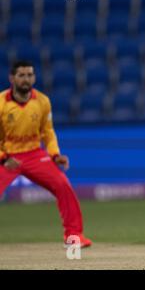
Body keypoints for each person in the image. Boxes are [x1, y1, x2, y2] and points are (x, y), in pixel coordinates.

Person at [0, 61, 92, 248]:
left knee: (63, 185)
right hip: (7, 156)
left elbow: (48, 132)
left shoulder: (42, 101)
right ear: (12, 78)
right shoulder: (1, 102)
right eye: (22, 75)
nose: (26, 79)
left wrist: (55, 154)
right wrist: (4, 158)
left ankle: (74, 236)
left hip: (34, 154)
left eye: (29, 75)